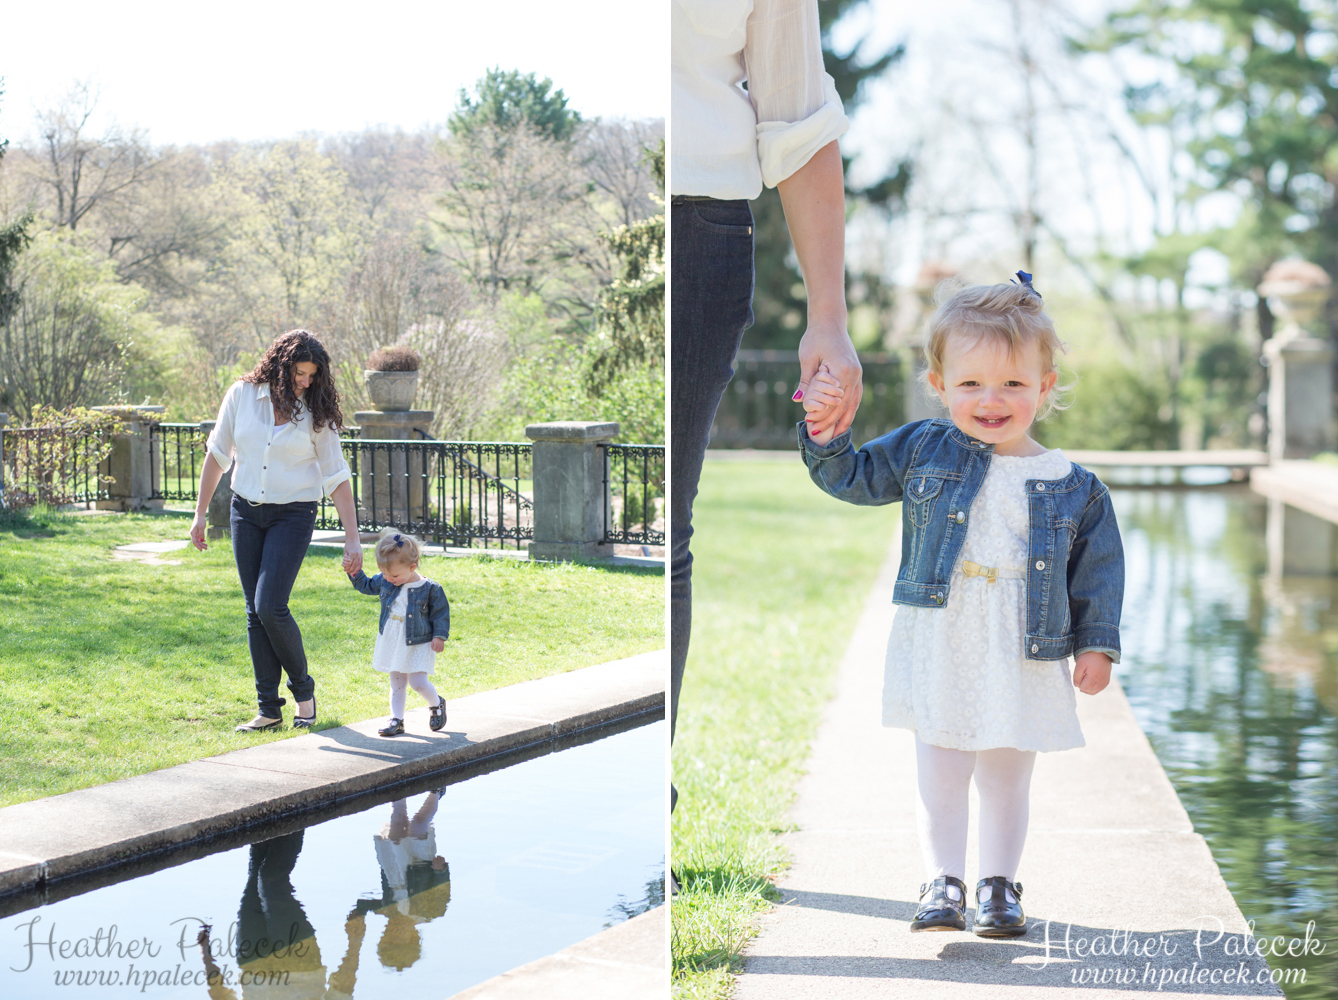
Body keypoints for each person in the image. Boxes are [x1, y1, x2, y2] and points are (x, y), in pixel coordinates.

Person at [799, 275, 1124, 936]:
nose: (991, 400)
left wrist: (1096, 641)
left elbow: (1098, 570)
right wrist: (823, 430)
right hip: (942, 637)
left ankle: (999, 886)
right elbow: (851, 477)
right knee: (941, 768)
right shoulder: (923, 448)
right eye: (971, 384)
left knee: (1006, 775)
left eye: (1012, 384)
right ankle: (942, 881)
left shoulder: (1073, 486)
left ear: (1046, 385)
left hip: (1022, 648)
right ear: (939, 383)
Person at [671, 0, 865, 817]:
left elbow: (798, 115)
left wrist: (830, 316)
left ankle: (657, 792)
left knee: (670, 524)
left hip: (701, 230)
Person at [191, 329, 362, 733]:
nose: (306, 382)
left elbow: (336, 475)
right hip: (244, 512)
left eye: (312, 376)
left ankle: (304, 693)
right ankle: (268, 709)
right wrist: (200, 514)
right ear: (281, 367)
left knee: (270, 605)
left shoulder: (316, 411)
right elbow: (218, 454)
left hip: (293, 514)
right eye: (300, 373)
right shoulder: (242, 395)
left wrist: (352, 536)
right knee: (254, 612)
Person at [345, 529, 450, 738]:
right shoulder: (386, 579)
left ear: (412, 567)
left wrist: (439, 636)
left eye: (393, 575)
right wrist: (354, 573)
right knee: (397, 682)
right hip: (393, 638)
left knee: (418, 683)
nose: (388, 579)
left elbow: (440, 614)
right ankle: (396, 720)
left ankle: (437, 704)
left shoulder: (430, 588)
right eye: (384, 574)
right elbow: (366, 585)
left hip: (418, 641)